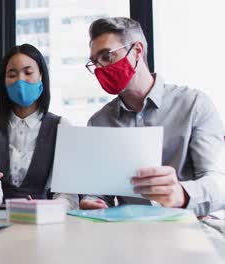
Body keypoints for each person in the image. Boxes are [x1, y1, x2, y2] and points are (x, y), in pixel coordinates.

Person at [80, 17, 225, 216]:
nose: (100, 69)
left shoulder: (194, 105)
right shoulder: (99, 122)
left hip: (189, 230)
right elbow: (98, 190)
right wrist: (93, 201)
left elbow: (218, 183)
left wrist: (181, 193)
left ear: (137, 51)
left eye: (107, 56)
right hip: (127, 233)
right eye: (95, 62)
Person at [0, 43, 78, 208]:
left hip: (46, 221)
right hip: (0, 218)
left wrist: (45, 211)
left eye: (28, 72)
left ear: (41, 76)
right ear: (4, 83)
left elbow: (67, 196)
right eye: (12, 75)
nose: (20, 81)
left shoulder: (61, 127)